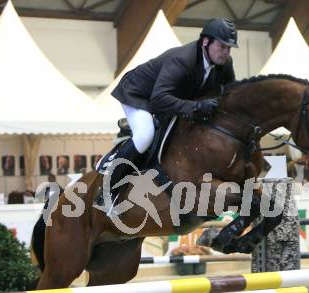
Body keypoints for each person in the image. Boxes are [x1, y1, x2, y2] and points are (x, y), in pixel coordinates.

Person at [97, 18, 238, 205]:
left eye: (229, 48)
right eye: (222, 46)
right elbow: (159, 98)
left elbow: (229, 94)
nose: (226, 52)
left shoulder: (225, 64)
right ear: (206, 41)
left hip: (172, 100)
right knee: (145, 135)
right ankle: (107, 189)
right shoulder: (182, 59)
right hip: (139, 95)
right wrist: (196, 107)